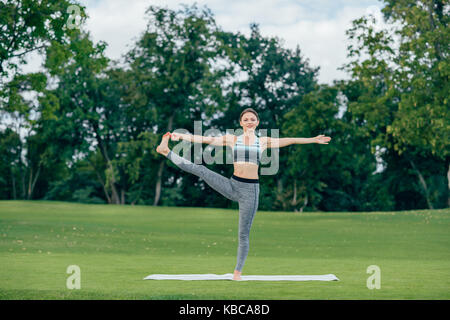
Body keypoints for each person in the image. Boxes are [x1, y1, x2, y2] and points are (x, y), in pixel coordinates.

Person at [156, 108, 331, 280]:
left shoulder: (263, 141)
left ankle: (237, 272)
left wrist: (313, 140)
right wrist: (182, 136)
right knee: (201, 170)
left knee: (243, 234)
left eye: (252, 119)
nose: (249, 122)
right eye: (246, 119)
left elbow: (290, 140)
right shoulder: (232, 139)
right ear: (241, 123)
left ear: (258, 122)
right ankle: (166, 152)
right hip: (232, 184)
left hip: (250, 191)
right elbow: (205, 138)